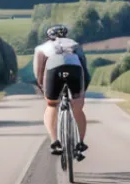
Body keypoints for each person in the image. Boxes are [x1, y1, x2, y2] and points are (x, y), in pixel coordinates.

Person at [33, 24, 91, 160]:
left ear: (48, 37)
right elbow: (84, 69)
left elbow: (38, 72)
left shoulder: (42, 48)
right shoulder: (75, 44)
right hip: (74, 70)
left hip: (54, 70)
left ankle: (55, 142)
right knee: (78, 107)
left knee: (52, 105)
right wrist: (82, 93)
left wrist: (42, 88)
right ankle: (80, 143)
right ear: (66, 35)